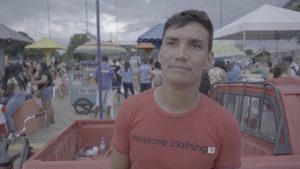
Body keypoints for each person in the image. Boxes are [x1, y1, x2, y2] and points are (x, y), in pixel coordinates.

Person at [111, 10, 241, 169]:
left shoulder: (225, 124)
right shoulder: (129, 110)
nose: (181, 55)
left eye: (195, 45)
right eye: (172, 43)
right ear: (160, 54)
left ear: (209, 59)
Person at [1, 64, 26, 139]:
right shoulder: (19, 77)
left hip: (16, 98)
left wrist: (2, 92)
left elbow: (8, 92)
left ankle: (13, 132)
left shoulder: (10, 80)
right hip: (21, 97)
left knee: (6, 113)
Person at [33, 61, 55, 126]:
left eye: (38, 65)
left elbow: (44, 80)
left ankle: (48, 122)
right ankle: (52, 120)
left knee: (47, 106)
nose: (37, 66)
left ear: (41, 66)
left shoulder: (44, 73)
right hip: (48, 89)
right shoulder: (45, 72)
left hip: (46, 90)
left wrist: (36, 82)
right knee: (49, 106)